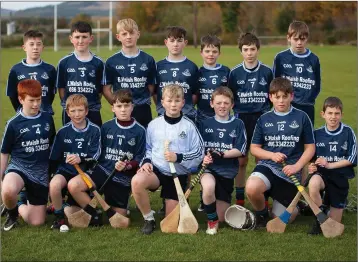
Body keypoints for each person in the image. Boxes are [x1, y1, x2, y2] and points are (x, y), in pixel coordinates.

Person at [131, 84, 204, 235]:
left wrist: (179, 157)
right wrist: (146, 162)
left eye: (177, 101)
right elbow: (148, 149)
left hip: (177, 175)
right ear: (162, 102)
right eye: (169, 100)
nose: (173, 104)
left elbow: (199, 153)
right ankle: (148, 219)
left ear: (183, 103)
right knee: (137, 181)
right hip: (157, 171)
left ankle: (173, 202)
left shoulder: (189, 126)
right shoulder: (153, 125)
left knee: (171, 226)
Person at [66, 89, 146, 225]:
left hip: (122, 177)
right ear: (113, 108)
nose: (123, 110)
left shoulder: (140, 131)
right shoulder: (106, 127)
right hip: (102, 171)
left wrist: (127, 166)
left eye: (126, 106)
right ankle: (95, 212)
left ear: (132, 107)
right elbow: (96, 152)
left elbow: (140, 157)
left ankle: (108, 208)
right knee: (74, 185)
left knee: (121, 223)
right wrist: (81, 158)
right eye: (119, 106)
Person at [245, 77, 315, 228]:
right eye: (277, 97)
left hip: (290, 173)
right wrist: (271, 155)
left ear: (292, 96)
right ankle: (262, 214)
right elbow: (254, 148)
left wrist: (297, 166)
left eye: (285, 96)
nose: (281, 101)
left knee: (282, 218)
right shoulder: (264, 119)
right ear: (270, 97)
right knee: (251, 187)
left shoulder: (302, 117)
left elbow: (310, 147)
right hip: (268, 167)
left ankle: (297, 205)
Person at [1, 79, 55, 231]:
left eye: (38, 100)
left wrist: (53, 174)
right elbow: (4, 152)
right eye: (31, 100)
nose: (36, 104)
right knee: (8, 189)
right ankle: (12, 215)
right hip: (19, 168)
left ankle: (18, 205)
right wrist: (0, 177)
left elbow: (52, 146)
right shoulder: (13, 124)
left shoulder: (47, 119)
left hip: (40, 174)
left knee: (36, 222)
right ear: (21, 99)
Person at [228, 32, 273, 208]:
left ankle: (264, 196)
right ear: (241, 51)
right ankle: (239, 197)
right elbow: (231, 97)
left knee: (263, 159)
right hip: (241, 119)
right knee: (241, 159)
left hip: (262, 119)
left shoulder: (267, 71)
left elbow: (272, 97)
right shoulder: (235, 73)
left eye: (252, 49)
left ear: (258, 50)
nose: (249, 53)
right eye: (245, 49)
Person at [199, 86, 247, 235]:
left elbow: (241, 149)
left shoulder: (238, 124)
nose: (222, 106)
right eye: (218, 103)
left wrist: (223, 154)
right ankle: (211, 222)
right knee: (208, 187)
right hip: (209, 169)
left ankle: (214, 206)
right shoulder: (205, 124)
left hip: (227, 173)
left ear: (232, 105)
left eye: (226, 103)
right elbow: (197, 148)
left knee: (222, 217)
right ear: (212, 103)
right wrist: (203, 157)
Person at [48, 94, 101, 229]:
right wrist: (51, 176)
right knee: (54, 185)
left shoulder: (95, 130)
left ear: (86, 111)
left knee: (79, 217)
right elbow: (54, 158)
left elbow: (96, 156)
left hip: (85, 173)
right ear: (67, 112)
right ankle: (59, 217)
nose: (77, 114)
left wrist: (80, 158)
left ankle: (92, 212)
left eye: (80, 110)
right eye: (73, 111)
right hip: (66, 170)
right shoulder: (62, 132)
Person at [307, 97, 357, 235]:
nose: (333, 117)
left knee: (335, 227)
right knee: (313, 184)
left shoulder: (348, 132)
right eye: (330, 113)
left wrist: (329, 165)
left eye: (336, 113)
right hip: (322, 175)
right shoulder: (317, 134)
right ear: (323, 114)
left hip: (340, 176)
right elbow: (312, 158)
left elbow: (352, 158)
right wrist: (311, 166)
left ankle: (329, 206)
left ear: (341, 115)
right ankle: (319, 217)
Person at [196, 35, 230, 212]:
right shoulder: (197, 72)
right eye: (207, 51)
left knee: (221, 155)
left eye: (214, 51)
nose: (211, 54)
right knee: (205, 158)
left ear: (219, 53)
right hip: (202, 120)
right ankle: (204, 196)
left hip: (223, 120)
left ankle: (224, 193)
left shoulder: (226, 71)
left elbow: (231, 97)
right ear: (201, 52)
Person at [103, 18, 156, 128]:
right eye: (124, 34)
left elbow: (151, 87)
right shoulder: (111, 61)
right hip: (122, 109)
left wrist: (141, 100)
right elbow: (106, 89)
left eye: (132, 33)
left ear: (138, 34)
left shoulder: (148, 60)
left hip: (143, 109)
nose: (128, 36)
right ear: (118, 37)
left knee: (144, 142)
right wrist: (118, 103)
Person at [56, 21, 105, 127]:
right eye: (77, 37)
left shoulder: (99, 63)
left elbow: (100, 90)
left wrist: (90, 104)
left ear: (91, 38)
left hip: (92, 110)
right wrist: (71, 105)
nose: (80, 41)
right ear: (71, 39)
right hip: (71, 112)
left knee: (94, 140)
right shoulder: (64, 62)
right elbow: (61, 89)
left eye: (84, 37)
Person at [272, 20, 321, 125]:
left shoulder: (314, 59)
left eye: (302, 39)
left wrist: (308, 99)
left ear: (307, 38)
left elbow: (317, 85)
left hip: (307, 107)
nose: (299, 43)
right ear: (288, 38)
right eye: (296, 39)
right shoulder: (280, 57)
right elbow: (275, 84)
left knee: (307, 139)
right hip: (287, 106)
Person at [6, 30, 57, 115]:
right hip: (25, 116)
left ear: (42, 47)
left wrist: (45, 108)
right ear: (24, 47)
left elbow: (52, 94)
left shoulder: (50, 69)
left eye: (38, 44)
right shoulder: (15, 70)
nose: (35, 47)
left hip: (45, 116)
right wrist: (20, 111)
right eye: (31, 44)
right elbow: (12, 95)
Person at [155, 26, 199, 122]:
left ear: (185, 43)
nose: (175, 44)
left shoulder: (192, 67)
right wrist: (163, 107)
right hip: (163, 115)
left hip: (187, 116)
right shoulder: (158, 66)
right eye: (172, 40)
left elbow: (195, 94)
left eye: (179, 40)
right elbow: (155, 93)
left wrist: (186, 108)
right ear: (166, 42)